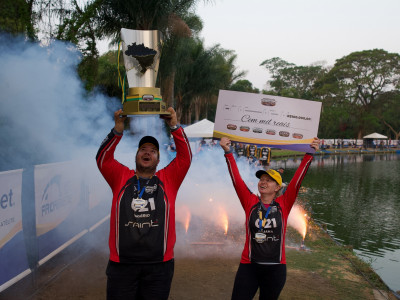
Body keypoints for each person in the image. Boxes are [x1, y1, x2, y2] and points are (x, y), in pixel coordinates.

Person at [96, 107, 192, 300]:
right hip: (122, 264)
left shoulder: (168, 179)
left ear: (158, 159)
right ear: (136, 155)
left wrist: (174, 125)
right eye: (143, 149)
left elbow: (185, 157)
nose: (147, 153)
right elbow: (102, 159)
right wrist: (117, 130)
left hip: (159, 266)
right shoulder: (121, 176)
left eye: (153, 151)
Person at [220, 136, 320, 300]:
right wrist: (228, 152)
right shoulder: (250, 201)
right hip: (249, 266)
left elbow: (297, 180)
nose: (263, 182)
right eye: (261, 179)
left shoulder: (284, 204)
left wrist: (309, 153)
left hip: (275, 268)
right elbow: (236, 179)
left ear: (277, 187)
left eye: (268, 180)